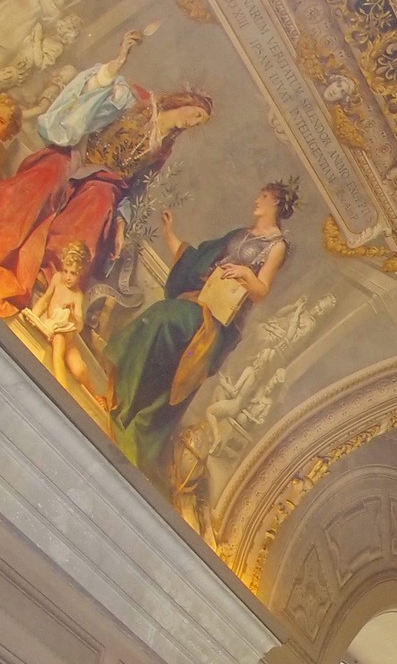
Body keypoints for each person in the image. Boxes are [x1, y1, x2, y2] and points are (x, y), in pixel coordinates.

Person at [0, 28, 211, 311]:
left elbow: (136, 187)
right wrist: (118, 61)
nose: (194, 123)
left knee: (99, 205)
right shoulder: (138, 99)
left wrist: (122, 222)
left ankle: (50, 279)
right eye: (196, 114)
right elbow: (95, 91)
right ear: (186, 103)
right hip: (79, 155)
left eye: (200, 123)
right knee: (47, 175)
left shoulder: (163, 149)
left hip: (106, 184)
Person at [103, 180, 293, 490]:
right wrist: (169, 234)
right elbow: (197, 260)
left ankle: (135, 417)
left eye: (264, 196)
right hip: (198, 299)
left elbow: (261, 291)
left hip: (217, 321)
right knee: (159, 322)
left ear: (275, 202)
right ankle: (122, 399)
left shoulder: (277, 245)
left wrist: (245, 273)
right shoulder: (239, 235)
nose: (257, 200)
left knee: (163, 318)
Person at [23, 238, 97, 402]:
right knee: (59, 346)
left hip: (66, 335)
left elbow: (78, 326)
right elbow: (45, 300)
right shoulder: (57, 279)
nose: (68, 277)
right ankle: (61, 391)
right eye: (66, 271)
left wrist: (72, 315)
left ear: (81, 274)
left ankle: (95, 395)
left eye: (74, 273)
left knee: (79, 371)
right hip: (51, 327)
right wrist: (33, 315)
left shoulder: (78, 296)